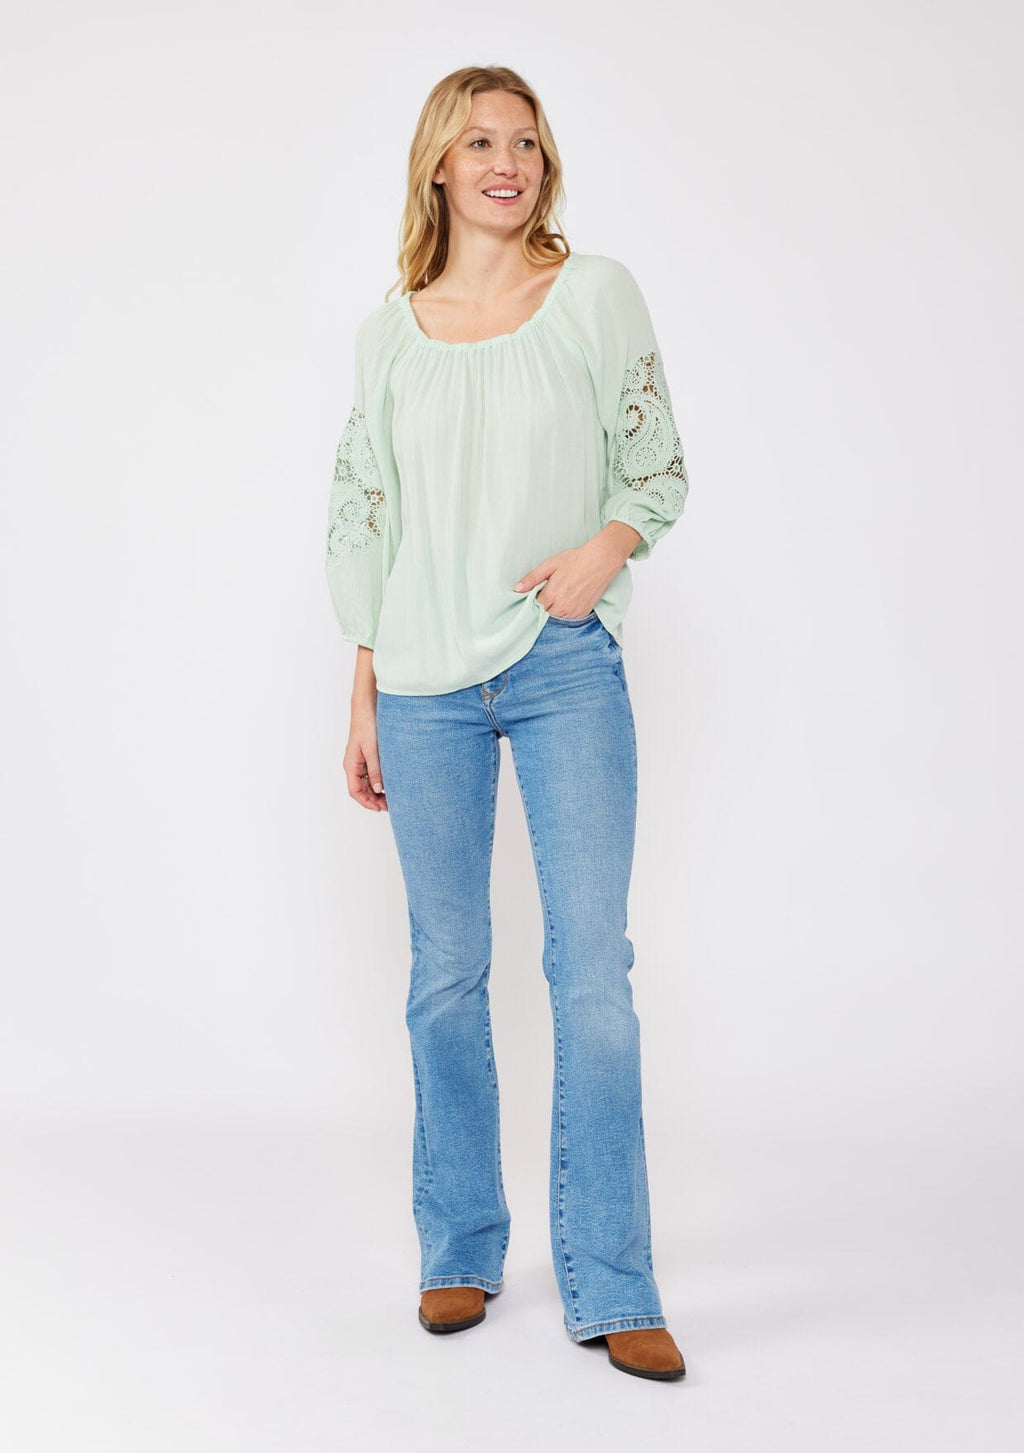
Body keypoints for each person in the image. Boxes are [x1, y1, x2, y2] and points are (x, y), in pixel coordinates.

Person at [324, 66, 691, 1382]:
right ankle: (460, 1247)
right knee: (445, 973)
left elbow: (657, 463)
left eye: (526, 143)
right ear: (438, 162)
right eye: (480, 141)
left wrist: (602, 552)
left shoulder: (593, 294)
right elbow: (366, 514)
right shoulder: (389, 335)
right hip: (421, 683)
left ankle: (613, 1278)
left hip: (560, 664)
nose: (506, 163)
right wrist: (364, 690)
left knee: (592, 974)